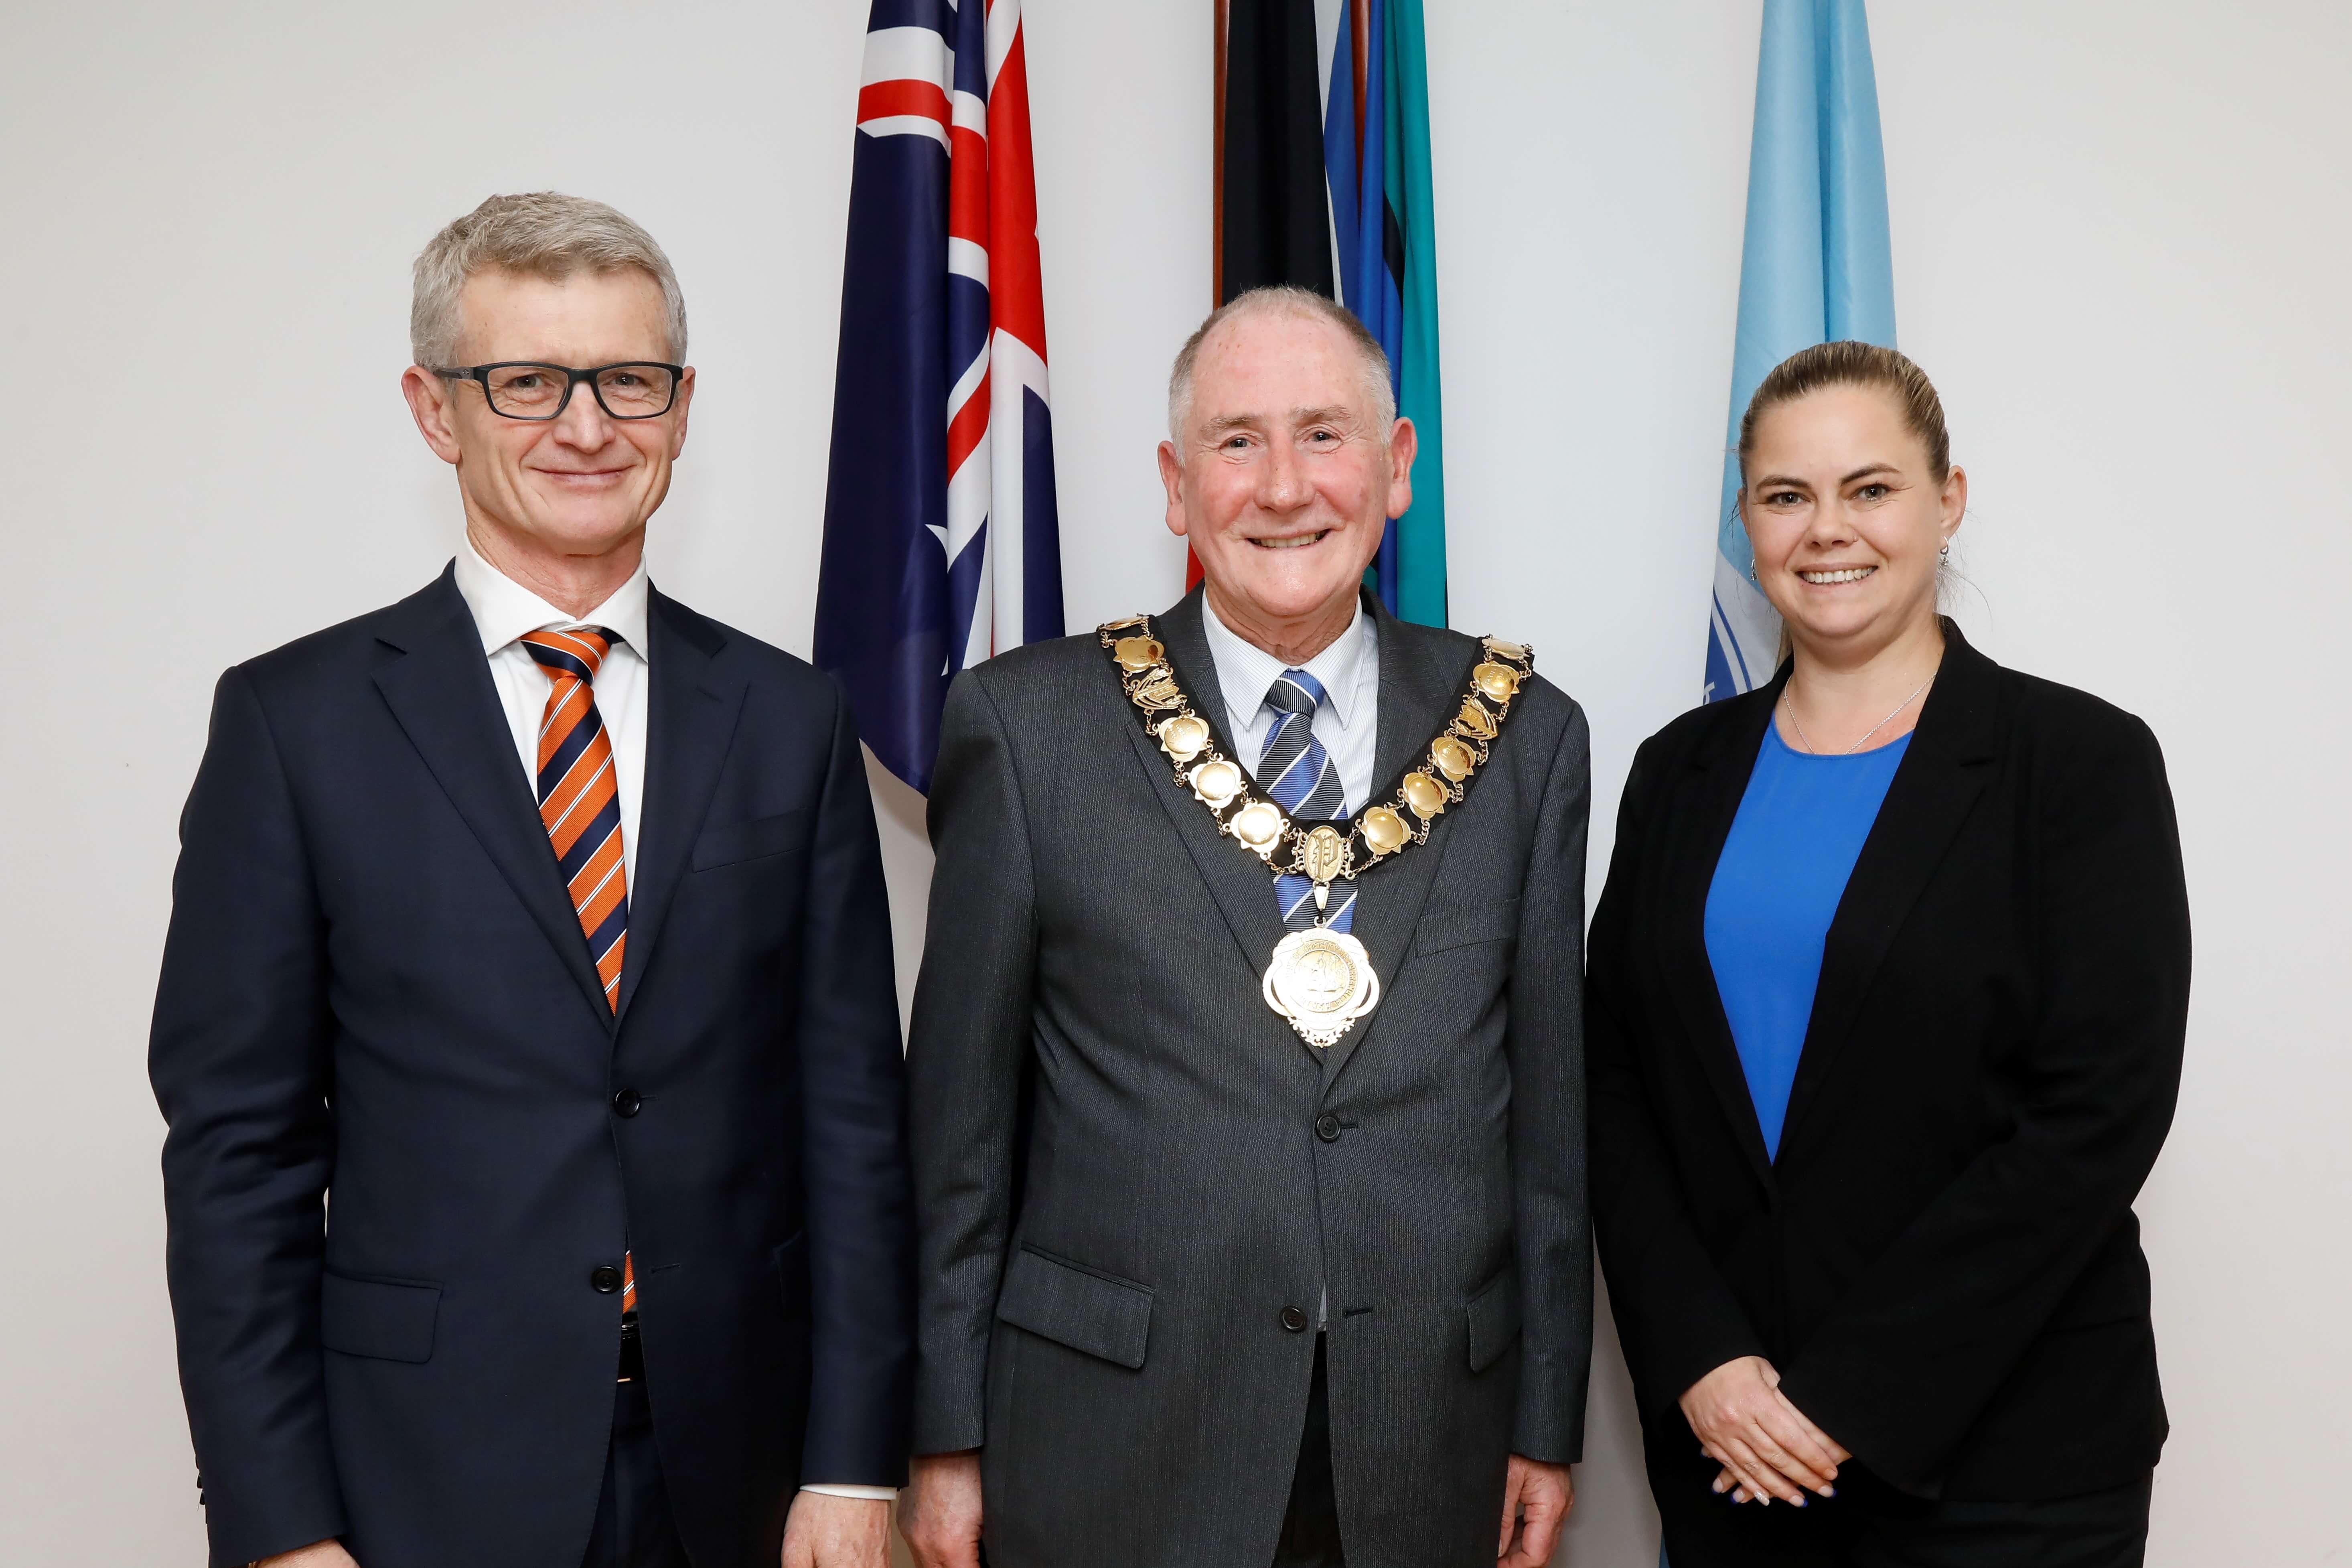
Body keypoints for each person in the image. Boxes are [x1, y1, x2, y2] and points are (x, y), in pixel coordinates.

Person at [149, 193, 913, 1568]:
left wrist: (854, 1465)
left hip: (742, 1471)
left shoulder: (792, 720)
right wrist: (278, 1530)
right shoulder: (293, 725)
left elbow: (852, 1125)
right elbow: (237, 1163)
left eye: (629, 380)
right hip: (417, 1478)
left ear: (680, 412)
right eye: (527, 383)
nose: (585, 426)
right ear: (437, 411)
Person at [894, 286, 1592, 1568]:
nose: (1284, 487)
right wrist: (942, 1440)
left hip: (1426, 1431)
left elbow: (1547, 1118)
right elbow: (961, 1133)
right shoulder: (1027, 727)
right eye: (1237, 442)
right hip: (1114, 1433)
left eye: (1325, 436)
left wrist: (1548, 1420)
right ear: (1175, 483)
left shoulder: (1528, 737)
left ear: (1396, 471)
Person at [1587, 341, 2189, 1567]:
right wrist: (1700, 1356)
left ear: (1947, 500)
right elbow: (1610, 1084)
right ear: (1747, 519)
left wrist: (1847, 1396)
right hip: (1735, 1456)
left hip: (2007, 1469)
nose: (1828, 531)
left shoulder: (2078, 766)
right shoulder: (1679, 772)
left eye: (1870, 489)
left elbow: (2095, 1120)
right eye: (1786, 495)